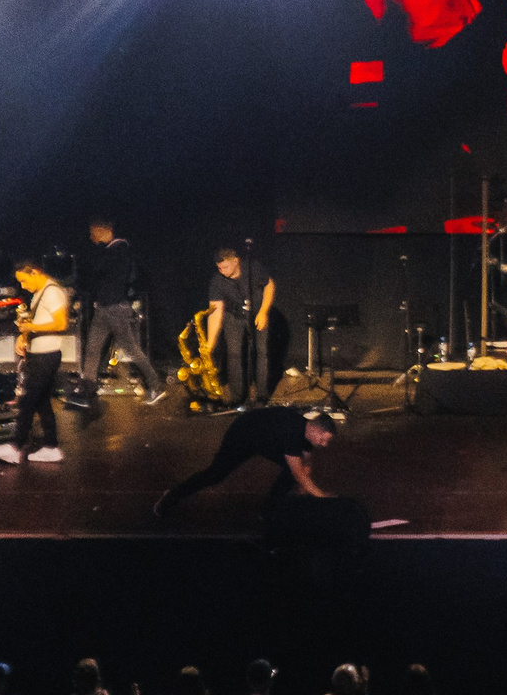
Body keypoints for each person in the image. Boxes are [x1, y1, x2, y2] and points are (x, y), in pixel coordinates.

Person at [153, 407, 338, 514]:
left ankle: (270, 510)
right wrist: (321, 497)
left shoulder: (308, 436)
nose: (324, 444)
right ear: (315, 429)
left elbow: (306, 465)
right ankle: (172, 495)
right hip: (243, 435)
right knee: (215, 475)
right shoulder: (292, 432)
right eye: (323, 439)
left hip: (266, 440)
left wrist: (304, 490)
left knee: (292, 470)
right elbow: (299, 473)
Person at [70, 219, 165, 406]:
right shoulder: (111, 251)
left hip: (116, 309)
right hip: (104, 308)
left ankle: (157, 386)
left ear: (105, 231)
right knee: (92, 349)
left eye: (94, 233)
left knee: (131, 349)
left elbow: (98, 269)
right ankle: (86, 392)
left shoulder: (119, 250)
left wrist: (97, 254)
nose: (92, 238)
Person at [0, 256, 70, 466]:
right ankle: (52, 447)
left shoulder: (53, 292)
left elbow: (60, 323)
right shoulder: (40, 294)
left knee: (28, 400)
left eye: (24, 281)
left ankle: (15, 447)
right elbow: (37, 322)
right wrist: (24, 338)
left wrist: (30, 329)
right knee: (42, 404)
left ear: (35, 272)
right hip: (40, 353)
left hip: (47, 356)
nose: (23, 286)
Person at [205, 248, 276, 410]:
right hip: (233, 316)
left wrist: (264, 312)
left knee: (261, 352)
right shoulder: (217, 281)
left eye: (225, 267)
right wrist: (210, 342)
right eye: (219, 268)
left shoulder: (253, 268)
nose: (222, 271)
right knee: (234, 354)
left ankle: (261, 397)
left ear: (236, 261)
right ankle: (237, 398)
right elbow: (215, 310)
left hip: (257, 313)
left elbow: (269, 286)